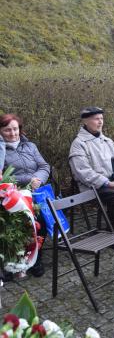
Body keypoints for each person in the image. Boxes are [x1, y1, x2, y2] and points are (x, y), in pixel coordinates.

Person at [0, 114, 51, 277]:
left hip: (36, 193)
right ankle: (11, 261)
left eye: (15, 129)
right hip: (13, 197)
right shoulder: (1, 151)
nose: (12, 133)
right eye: (7, 130)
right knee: (16, 225)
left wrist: (39, 179)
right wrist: (29, 180)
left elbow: (44, 165)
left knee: (41, 222)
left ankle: (35, 259)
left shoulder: (30, 146)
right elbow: (3, 176)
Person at [69, 107, 114, 228]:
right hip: (93, 187)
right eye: (96, 119)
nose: (100, 122)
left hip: (113, 182)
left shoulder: (107, 141)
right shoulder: (78, 144)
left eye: (102, 118)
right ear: (85, 121)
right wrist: (108, 183)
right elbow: (83, 173)